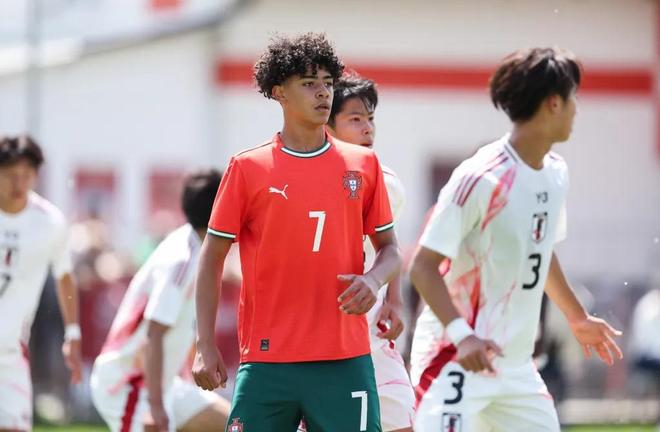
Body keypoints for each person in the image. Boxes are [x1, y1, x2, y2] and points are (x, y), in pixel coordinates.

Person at [192, 32, 401, 432]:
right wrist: (205, 344)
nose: (323, 93)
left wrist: (374, 280)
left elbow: (390, 249)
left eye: (328, 82)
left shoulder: (364, 165)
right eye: (308, 83)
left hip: (345, 361)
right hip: (267, 363)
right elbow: (212, 257)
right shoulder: (247, 168)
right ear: (279, 92)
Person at [408, 47, 623, 432]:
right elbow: (422, 267)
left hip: (516, 368)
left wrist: (576, 317)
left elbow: (540, 249)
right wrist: (464, 337)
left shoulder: (555, 174)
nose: (577, 109)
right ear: (553, 103)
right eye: (573, 98)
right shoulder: (480, 177)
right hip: (456, 359)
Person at [91, 169, 230, 432]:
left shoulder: (196, 247)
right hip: (130, 383)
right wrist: (155, 406)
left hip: (165, 384)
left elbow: (180, 326)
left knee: (234, 424)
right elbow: (154, 334)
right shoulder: (182, 260)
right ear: (220, 209)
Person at [326, 73, 415, 432]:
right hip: (318, 345)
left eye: (370, 118)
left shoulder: (386, 182)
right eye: (355, 119)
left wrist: (394, 298)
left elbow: (388, 245)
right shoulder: (306, 180)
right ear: (328, 125)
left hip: (372, 339)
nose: (367, 128)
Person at [0, 135, 82, 431]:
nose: (18, 183)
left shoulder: (50, 222)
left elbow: (65, 275)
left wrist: (73, 332)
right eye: (11, 174)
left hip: (11, 350)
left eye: (26, 175)